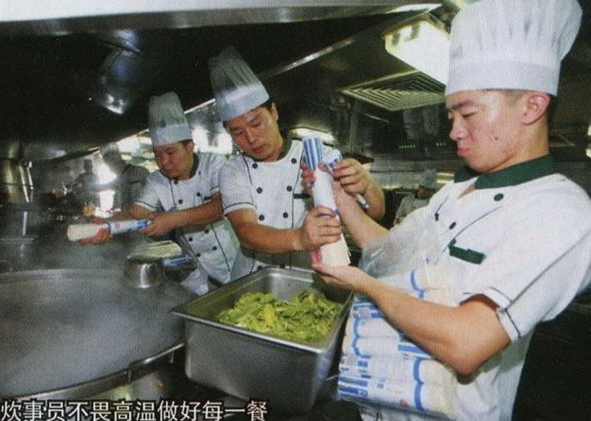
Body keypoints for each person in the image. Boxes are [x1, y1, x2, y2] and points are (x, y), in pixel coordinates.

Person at [309, 0, 591, 419]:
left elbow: (466, 344)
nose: (455, 131)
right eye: (451, 114)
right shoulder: (457, 190)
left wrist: (365, 285)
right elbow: (391, 254)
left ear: (532, 106)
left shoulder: (560, 213)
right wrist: (338, 198)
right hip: (388, 403)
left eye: (468, 113)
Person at [208, 46, 385, 280]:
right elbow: (246, 231)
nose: (250, 138)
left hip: (308, 278)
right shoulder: (232, 171)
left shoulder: (318, 156)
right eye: (237, 132)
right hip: (252, 279)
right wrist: (300, 238)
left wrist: (367, 185)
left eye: (256, 123)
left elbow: (374, 213)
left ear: (274, 112)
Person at [81, 92, 239, 295]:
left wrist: (172, 219)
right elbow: (135, 213)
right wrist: (107, 226)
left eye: (170, 153)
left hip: (233, 268)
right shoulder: (157, 180)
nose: (163, 161)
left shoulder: (214, 164)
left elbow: (220, 206)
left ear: (190, 147)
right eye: (157, 155)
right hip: (194, 270)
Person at [100, 146, 149, 211]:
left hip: (145, 213)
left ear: (118, 163)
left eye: (110, 167)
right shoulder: (120, 178)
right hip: (128, 214)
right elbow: (104, 186)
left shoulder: (141, 171)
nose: (111, 170)